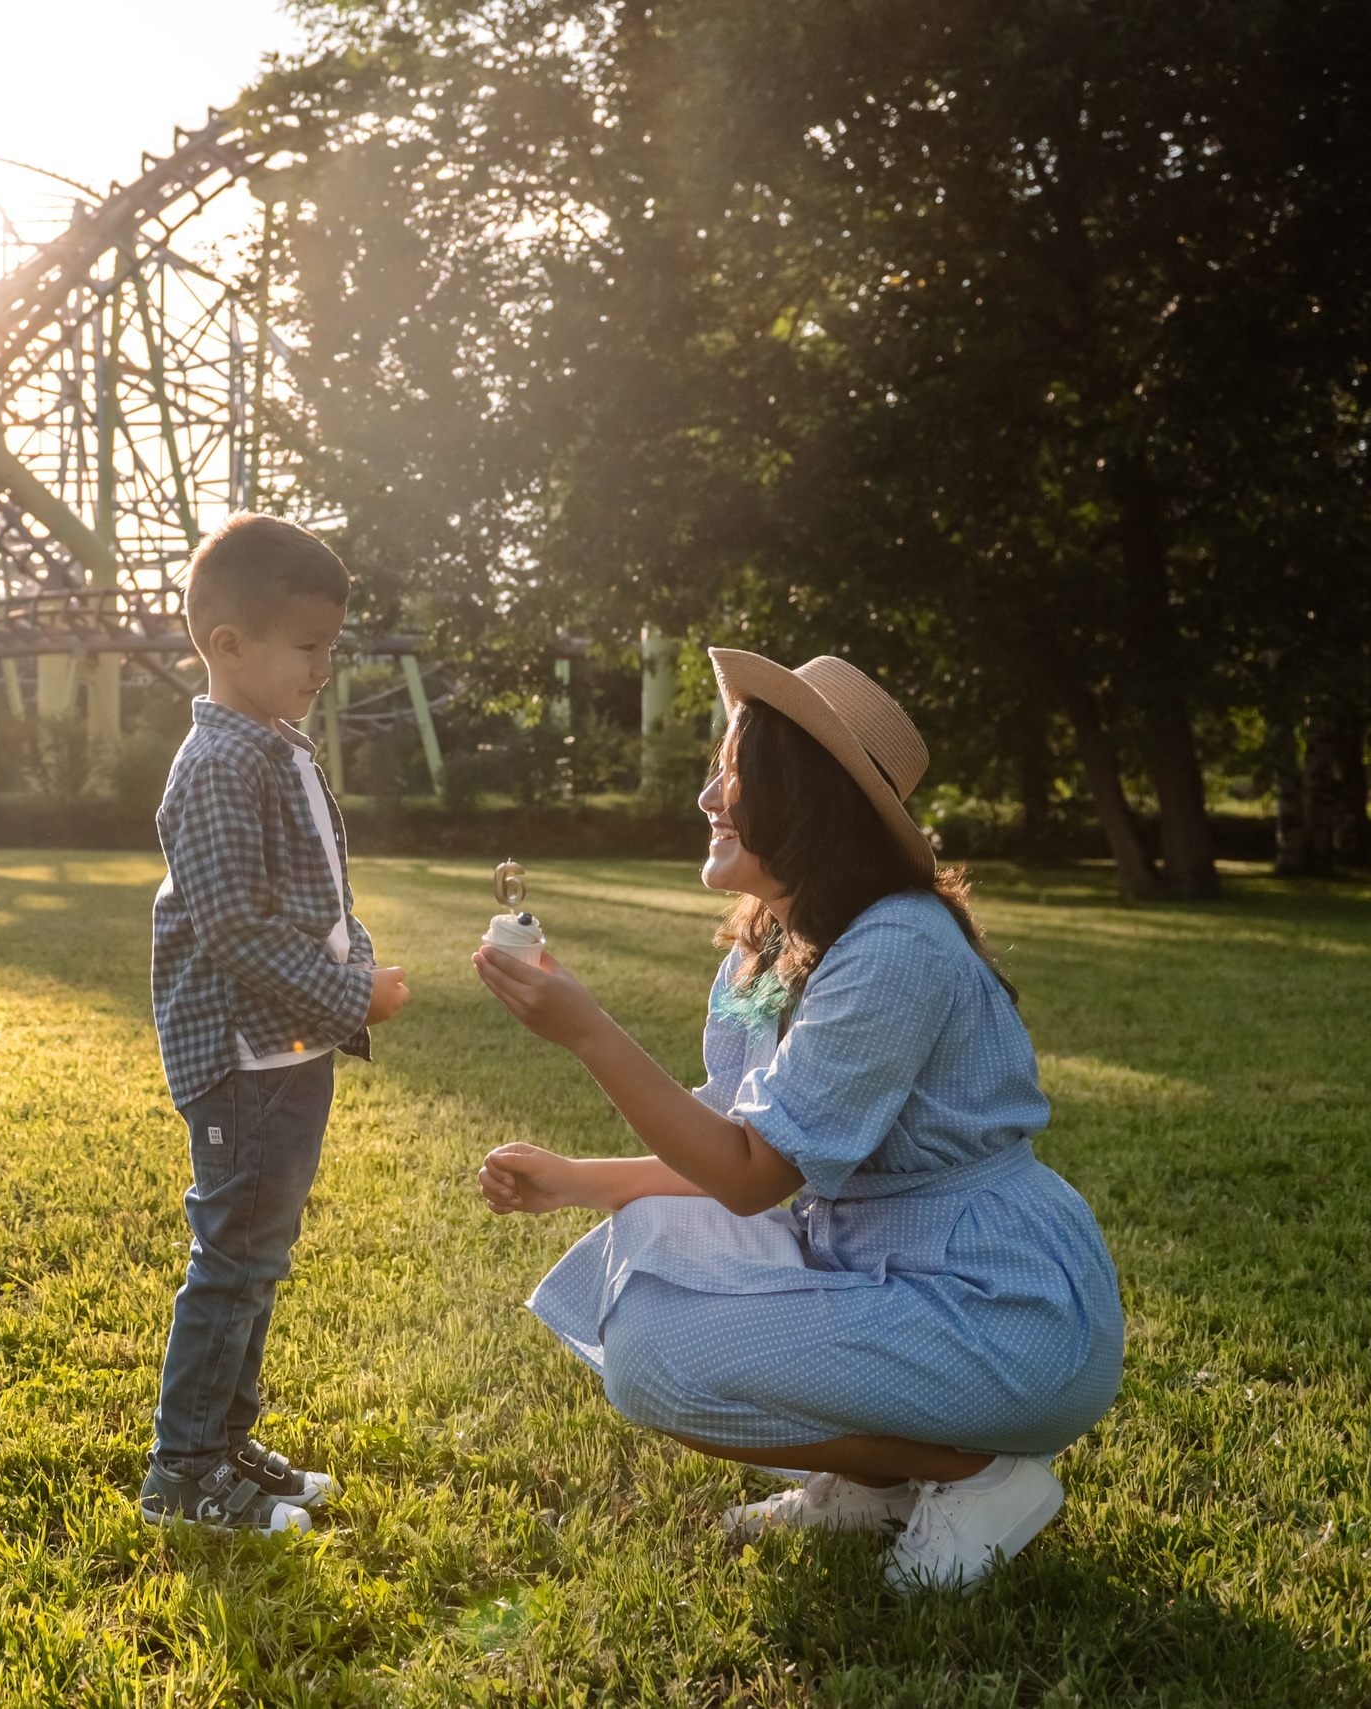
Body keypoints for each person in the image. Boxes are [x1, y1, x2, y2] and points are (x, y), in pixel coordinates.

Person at [472, 651, 1123, 1595]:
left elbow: (748, 1175)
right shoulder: (767, 944)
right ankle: (877, 1483)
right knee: (643, 1243)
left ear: (806, 799)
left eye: (732, 776)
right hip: (864, 1261)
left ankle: (977, 1475)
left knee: (659, 1358)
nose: (707, 797)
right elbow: (733, 1124)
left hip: (997, 1307)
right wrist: (580, 1178)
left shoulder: (896, 944)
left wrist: (588, 1032)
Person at [140, 512, 415, 1533]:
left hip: (286, 1047)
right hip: (242, 1055)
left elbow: (311, 900)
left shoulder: (270, 747)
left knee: (263, 1243)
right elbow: (233, 932)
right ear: (229, 647)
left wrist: (357, 962)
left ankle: (222, 1434)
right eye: (309, 646)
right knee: (235, 1251)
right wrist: (356, 996)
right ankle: (181, 1469)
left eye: (330, 647)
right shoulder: (218, 765)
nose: (325, 667)